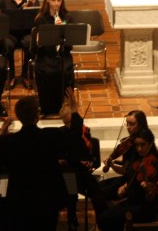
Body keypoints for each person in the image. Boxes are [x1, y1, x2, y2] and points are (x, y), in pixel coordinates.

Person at [0, 95, 70, 231]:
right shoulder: (51, 135)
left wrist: (2, 132)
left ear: (18, 116)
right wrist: (73, 112)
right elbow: (74, 137)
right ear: (37, 115)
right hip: (47, 198)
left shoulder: (7, 142)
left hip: (20, 199)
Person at [58, 88, 108, 229]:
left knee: (98, 195)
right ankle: (72, 219)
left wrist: (91, 163)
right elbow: (61, 155)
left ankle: (103, 222)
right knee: (71, 192)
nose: (69, 126)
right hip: (68, 172)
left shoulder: (84, 132)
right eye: (66, 123)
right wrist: (61, 160)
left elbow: (93, 157)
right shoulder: (62, 134)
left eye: (71, 123)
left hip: (83, 172)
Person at [97, 128, 158, 229]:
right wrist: (124, 186)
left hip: (144, 208)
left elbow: (151, 198)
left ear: (150, 144)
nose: (139, 149)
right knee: (103, 217)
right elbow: (133, 178)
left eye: (143, 145)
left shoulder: (154, 163)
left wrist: (147, 189)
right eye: (137, 145)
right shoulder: (137, 158)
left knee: (105, 220)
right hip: (131, 202)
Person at [32, 0, 74, 115]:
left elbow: (70, 45)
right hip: (46, 55)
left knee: (65, 71)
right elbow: (38, 45)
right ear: (47, 0)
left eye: (59, 0)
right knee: (48, 72)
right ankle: (48, 108)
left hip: (63, 54)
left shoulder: (67, 17)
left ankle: (66, 106)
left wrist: (62, 32)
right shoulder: (41, 19)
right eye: (53, 0)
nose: (56, 4)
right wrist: (53, 32)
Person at [0, 0, 36, 89]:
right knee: (6, 45)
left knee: (30, 43)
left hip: (26, 33)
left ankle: (26, 75)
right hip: (10, 33)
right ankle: (11, 75)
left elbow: (38, 17)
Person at [100, 110, 150, 201]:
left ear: (141, 125)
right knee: (97, 187)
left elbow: (126, 171)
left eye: (132, 124)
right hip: (127, 179)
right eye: (127, 123)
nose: (128, 127)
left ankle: (109, 209)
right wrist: (114, 160)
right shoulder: (131, 141)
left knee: (98, 193)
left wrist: (112, 165)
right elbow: (128, 163)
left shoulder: (140, 146)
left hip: (132, 183)